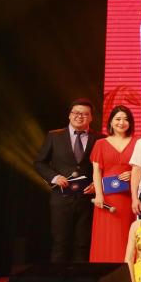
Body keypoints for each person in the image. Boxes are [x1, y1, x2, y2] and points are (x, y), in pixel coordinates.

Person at [34, 99, 100, 263]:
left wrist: (97, 185)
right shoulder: (54, 136)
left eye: (85, 114)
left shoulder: (100, 138)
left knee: (83, 243)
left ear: (91, 118)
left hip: (87, 199)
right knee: (60, 243)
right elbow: (40, 163)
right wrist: (55, 177)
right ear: (69, 115)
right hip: (61, 197)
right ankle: (57, 278)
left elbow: (105, 167)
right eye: (76, 113)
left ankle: (81, 278)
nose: (80, 116)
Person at [89, 104, 136, 262]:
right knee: (105, 235)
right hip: (106, 198)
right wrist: (99, 195)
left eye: (126, 119)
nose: (121, 122)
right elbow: (96, 172)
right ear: (110, 122)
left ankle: (126, 269)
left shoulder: (138, 143)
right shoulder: (100, 143)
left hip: (129, 197)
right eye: (118, 119)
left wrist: (133, 173)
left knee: (125, 234)